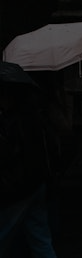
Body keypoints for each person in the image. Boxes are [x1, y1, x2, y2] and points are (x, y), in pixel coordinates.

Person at [0, 62, 60, 258]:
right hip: (37, 183)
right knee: (40, 238)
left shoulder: (10, 122)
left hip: (17, 188)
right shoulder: (35, 116)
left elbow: (6, 155)